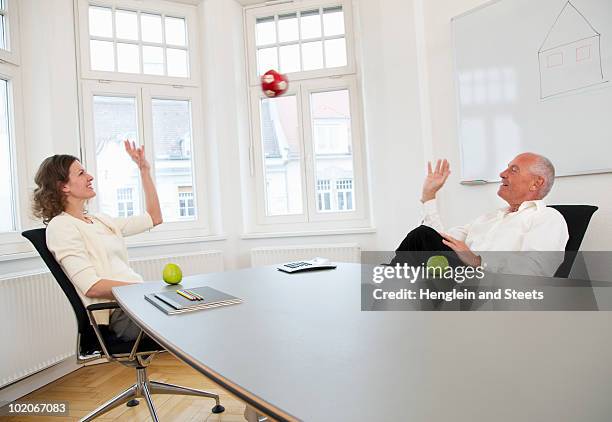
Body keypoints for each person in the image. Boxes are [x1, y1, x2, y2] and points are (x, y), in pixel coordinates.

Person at [32, 141, 163, 341]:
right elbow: (91, 286)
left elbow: (154, 218)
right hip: (120, 313)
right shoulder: (61, 227)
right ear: (63, 186)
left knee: (200, 310)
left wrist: (144, 170)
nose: (90, 177)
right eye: (81, 173)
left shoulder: (100, 220)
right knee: (197, 321)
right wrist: (142, 289)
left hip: (138, 302)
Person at [395, 152, 569, 276]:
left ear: (536, 183)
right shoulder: (489, 218)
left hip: (489, 288)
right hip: (455, 279)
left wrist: (478, 261)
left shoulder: (548, 217)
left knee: (420, 238)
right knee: (422, 237)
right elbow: (439, 241)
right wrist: (429, 196)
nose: (502, 174)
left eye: (513, 170)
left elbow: (535, 271)